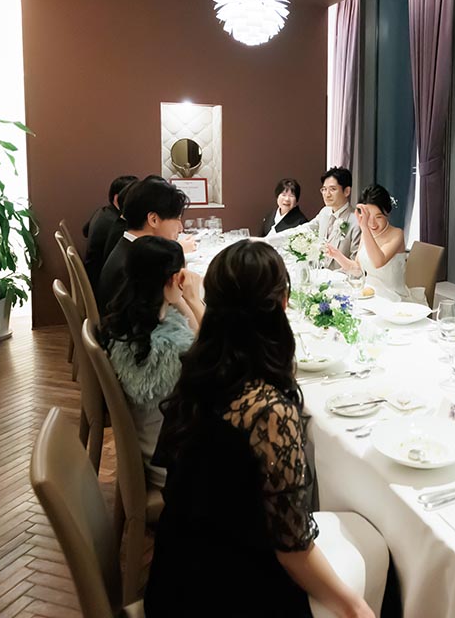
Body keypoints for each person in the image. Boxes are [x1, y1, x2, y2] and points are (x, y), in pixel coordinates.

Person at [147, 241, 377, 618]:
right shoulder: (268, 410)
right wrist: (356, 609)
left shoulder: (198, 371)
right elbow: (293, 550)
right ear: (283, 304)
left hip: (174, 574)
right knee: (367, 551)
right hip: (230, 592)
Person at [99, 236, 202, 487]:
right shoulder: (167, 349)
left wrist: (176, 295)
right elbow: (217, 351)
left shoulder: (131, 323)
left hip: (152, 440)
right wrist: (194, 299)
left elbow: (196, 332)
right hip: (172, 459)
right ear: (172, 279)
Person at [97, 179, 189, 310]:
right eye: (177, 219)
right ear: (153, 219)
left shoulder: (128, 248)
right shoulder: (136, 265)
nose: (181, 228)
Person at [326, 184, 414, 302]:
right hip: (370, 294)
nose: (372, 223)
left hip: (393, 298)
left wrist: (364, 227)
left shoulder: (397, 234)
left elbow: (378, 262)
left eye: (378, 217)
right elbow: (357, 269)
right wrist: (336, 254)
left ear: (387, 213)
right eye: (368, 217)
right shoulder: (366, 234)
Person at [82, 174, 137, 290]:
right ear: (118, 198)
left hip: (94, 275)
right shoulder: (116, 225)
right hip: (101, 284)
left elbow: (84, 231)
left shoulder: (103, 212)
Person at [314, 167, 362, 269]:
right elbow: (306, 228)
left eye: (333, 189)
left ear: (347, 191)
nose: (327, 194)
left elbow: (356, 264)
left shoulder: (356, 221)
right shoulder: (324, 212)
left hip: (341, 277)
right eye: (324, 189)